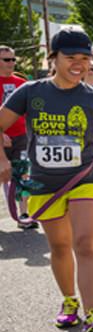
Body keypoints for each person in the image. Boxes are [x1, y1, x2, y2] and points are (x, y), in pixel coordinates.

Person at [0, 28, 93, 332]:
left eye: (84, 58)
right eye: (70, 58)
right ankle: (70, 301)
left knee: (84, 243)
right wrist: (2, 160)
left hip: (86, 179)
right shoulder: (30, 92)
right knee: (61, 247)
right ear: (53, 58)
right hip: (43, 183)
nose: (78, 64)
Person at [0, 45, 37, 229]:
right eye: (7, 59)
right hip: (1, 138)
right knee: (2, 174)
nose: (12, 63)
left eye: (14, 59)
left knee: (23, 173)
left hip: (22, 136)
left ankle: (24, 214)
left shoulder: (21, 83)